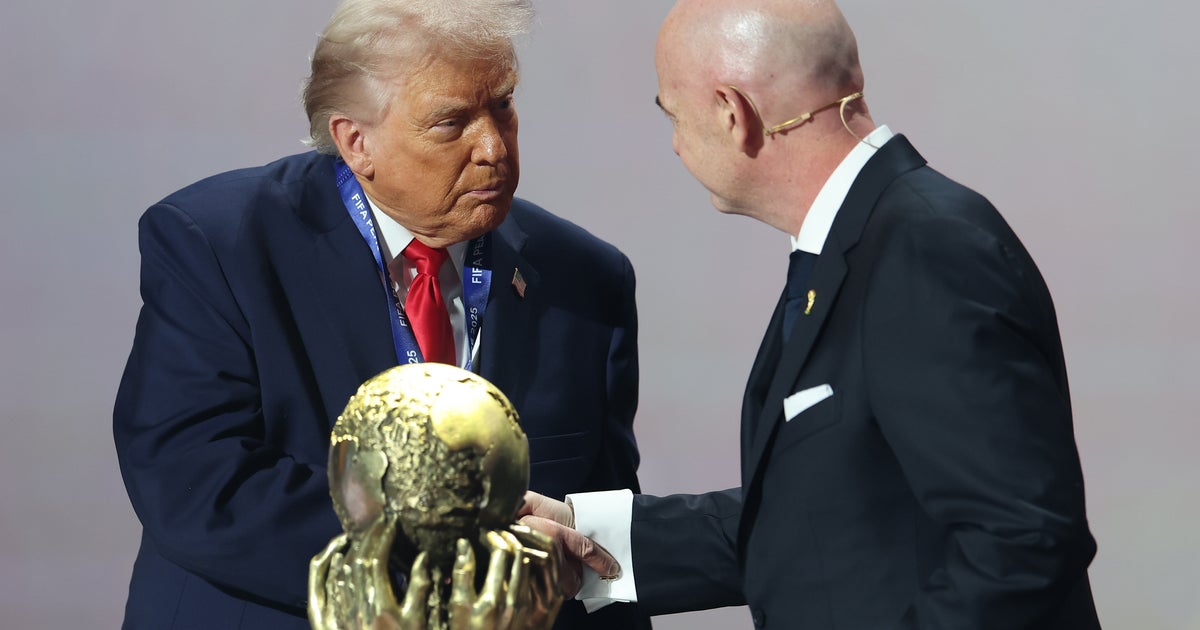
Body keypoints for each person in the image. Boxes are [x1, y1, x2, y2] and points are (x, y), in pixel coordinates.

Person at [519, 0, 1102, 628]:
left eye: (674, 116)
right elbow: (829, 513)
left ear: (733, 113)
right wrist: (583, 535)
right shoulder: (866, 240)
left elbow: (1021, 539)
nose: (677, 146)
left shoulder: (925, 250)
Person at [112, 1, 648, 628]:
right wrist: (451, 556)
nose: (493, 147)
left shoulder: (585, 278)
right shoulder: (219, 244)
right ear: (355, 142)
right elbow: (198, 483)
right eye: (451, 123)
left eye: (502, 105)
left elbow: (596, 543)